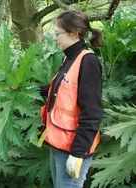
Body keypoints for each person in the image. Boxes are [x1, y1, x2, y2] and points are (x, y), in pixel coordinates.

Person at [38, 10, 104, 188]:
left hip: (72, 148)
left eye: (57, 33)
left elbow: (93, 112)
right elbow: (60, 91)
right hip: (58, 143)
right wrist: (31, 90)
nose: (54, 38)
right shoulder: (69, 58)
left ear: (74, 34)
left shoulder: (87, 62)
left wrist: (77, 153)